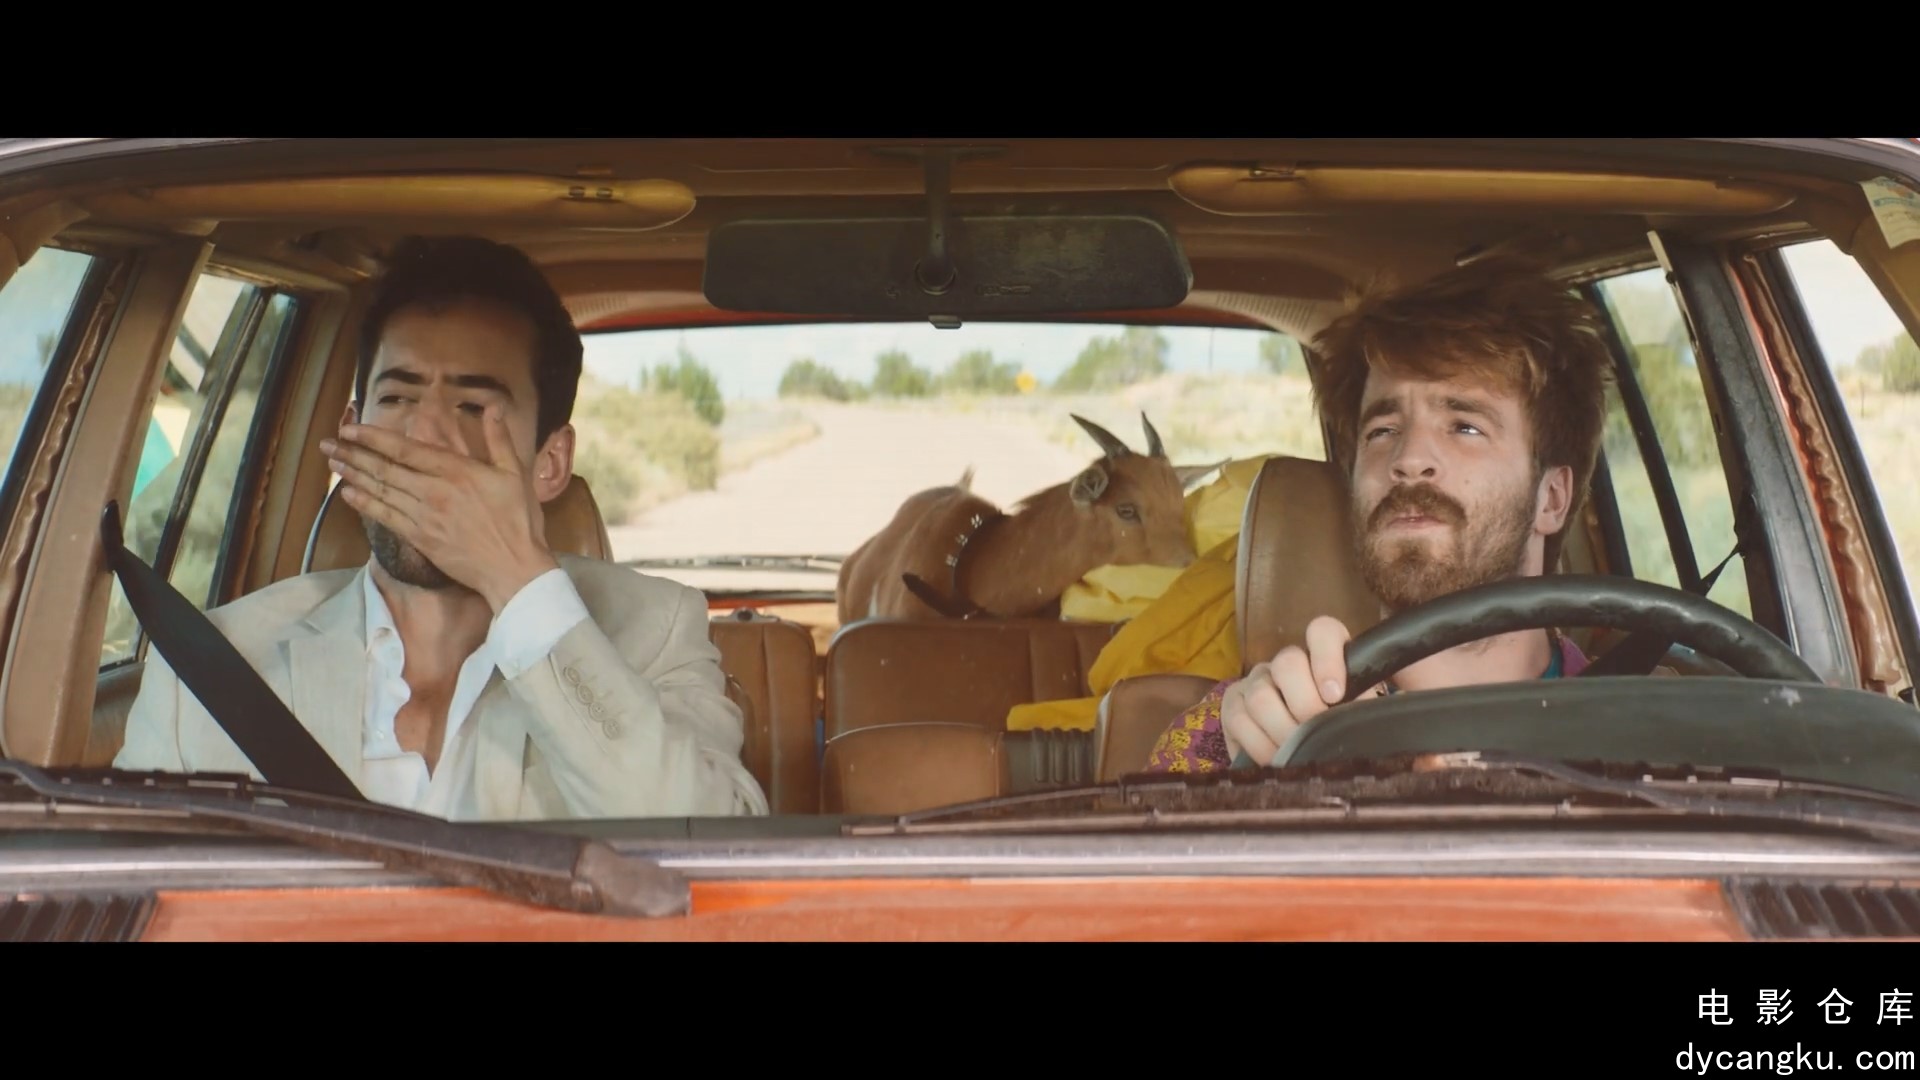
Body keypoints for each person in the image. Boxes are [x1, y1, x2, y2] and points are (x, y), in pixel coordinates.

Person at [116, 235, 769, 820]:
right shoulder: (209, 666)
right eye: (396, 398)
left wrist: (517, 579)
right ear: (352, 435)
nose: (423, 434)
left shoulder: (653, 630)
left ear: (549, 462)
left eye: (473, 406)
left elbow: (714, 848)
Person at [1144, 258, 1626, 773]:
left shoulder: (1644, 728)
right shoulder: (1236, 736)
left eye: (1464, 427)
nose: (1409, 459)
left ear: (1551, 498)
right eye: (1382, 431)